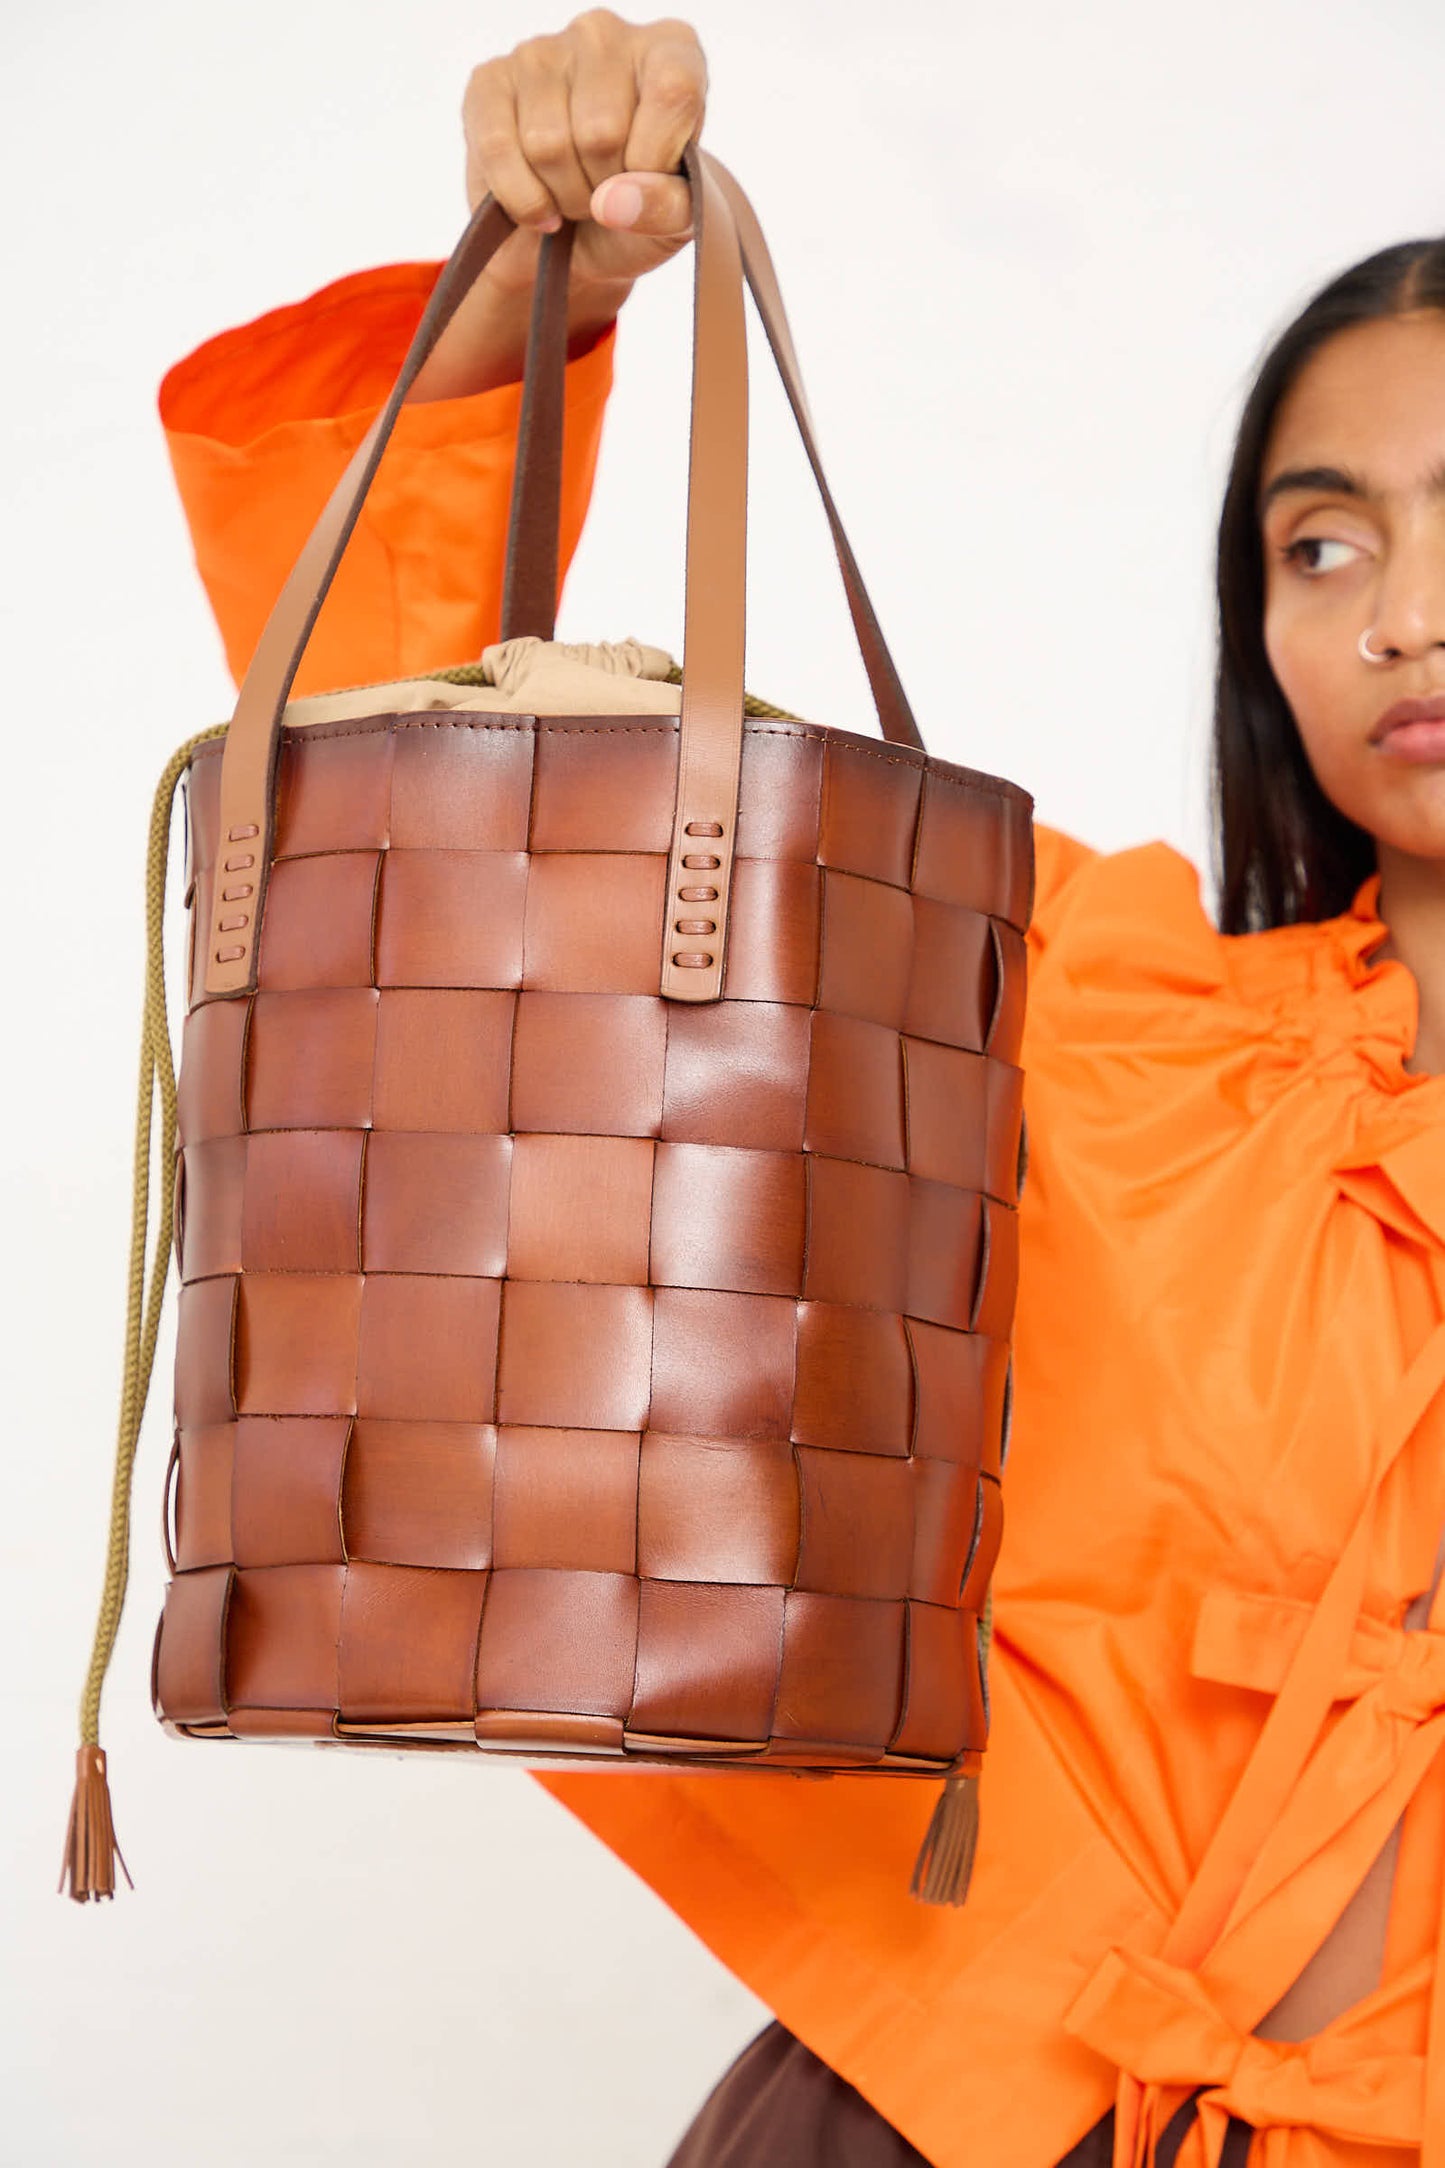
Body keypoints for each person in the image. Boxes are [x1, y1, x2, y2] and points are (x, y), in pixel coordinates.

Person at [154, 12, 1445, 2165]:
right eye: (1324, 546)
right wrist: (523, 287)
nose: (1410, 615)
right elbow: (468, 865)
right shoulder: (1098, 1000)